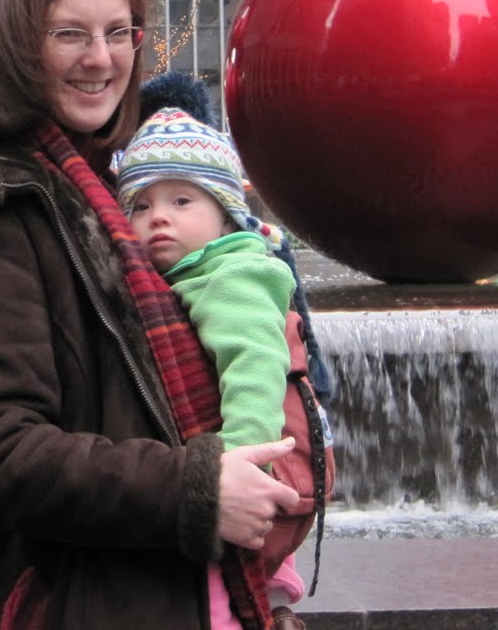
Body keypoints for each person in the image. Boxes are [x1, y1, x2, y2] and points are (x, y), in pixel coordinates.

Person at [0, 0, 305, 630]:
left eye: (118, 32)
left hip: (171, 596)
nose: (100, 58)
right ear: (17, 47)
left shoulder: (130, 196)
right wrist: (196, 490)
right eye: (70, 34)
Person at [117, 105, 309, 623]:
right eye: (140, 204)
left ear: (225, 214)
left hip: (245, 480)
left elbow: (255, 368)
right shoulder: (189, 274)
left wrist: (241, 464)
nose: (159, 216)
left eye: (182, 200)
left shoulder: (231, 278)